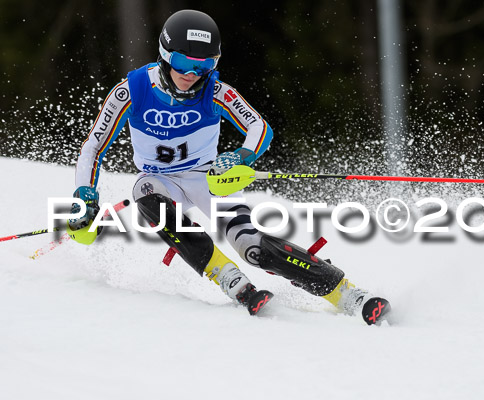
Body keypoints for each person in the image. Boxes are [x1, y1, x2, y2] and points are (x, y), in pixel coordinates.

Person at [67, 9, 390, 324]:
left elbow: (259, 128)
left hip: (209, 179)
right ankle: (228, 277)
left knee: (252, 248)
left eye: (203, 65)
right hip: (159, 180)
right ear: (165, 55)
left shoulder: (215, 91)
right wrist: (85, 196)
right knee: (144, 192)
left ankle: (346, 293)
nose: (191, 74)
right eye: (182, 63)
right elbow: (94, 146)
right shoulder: (132, 89)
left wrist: (241, 156)